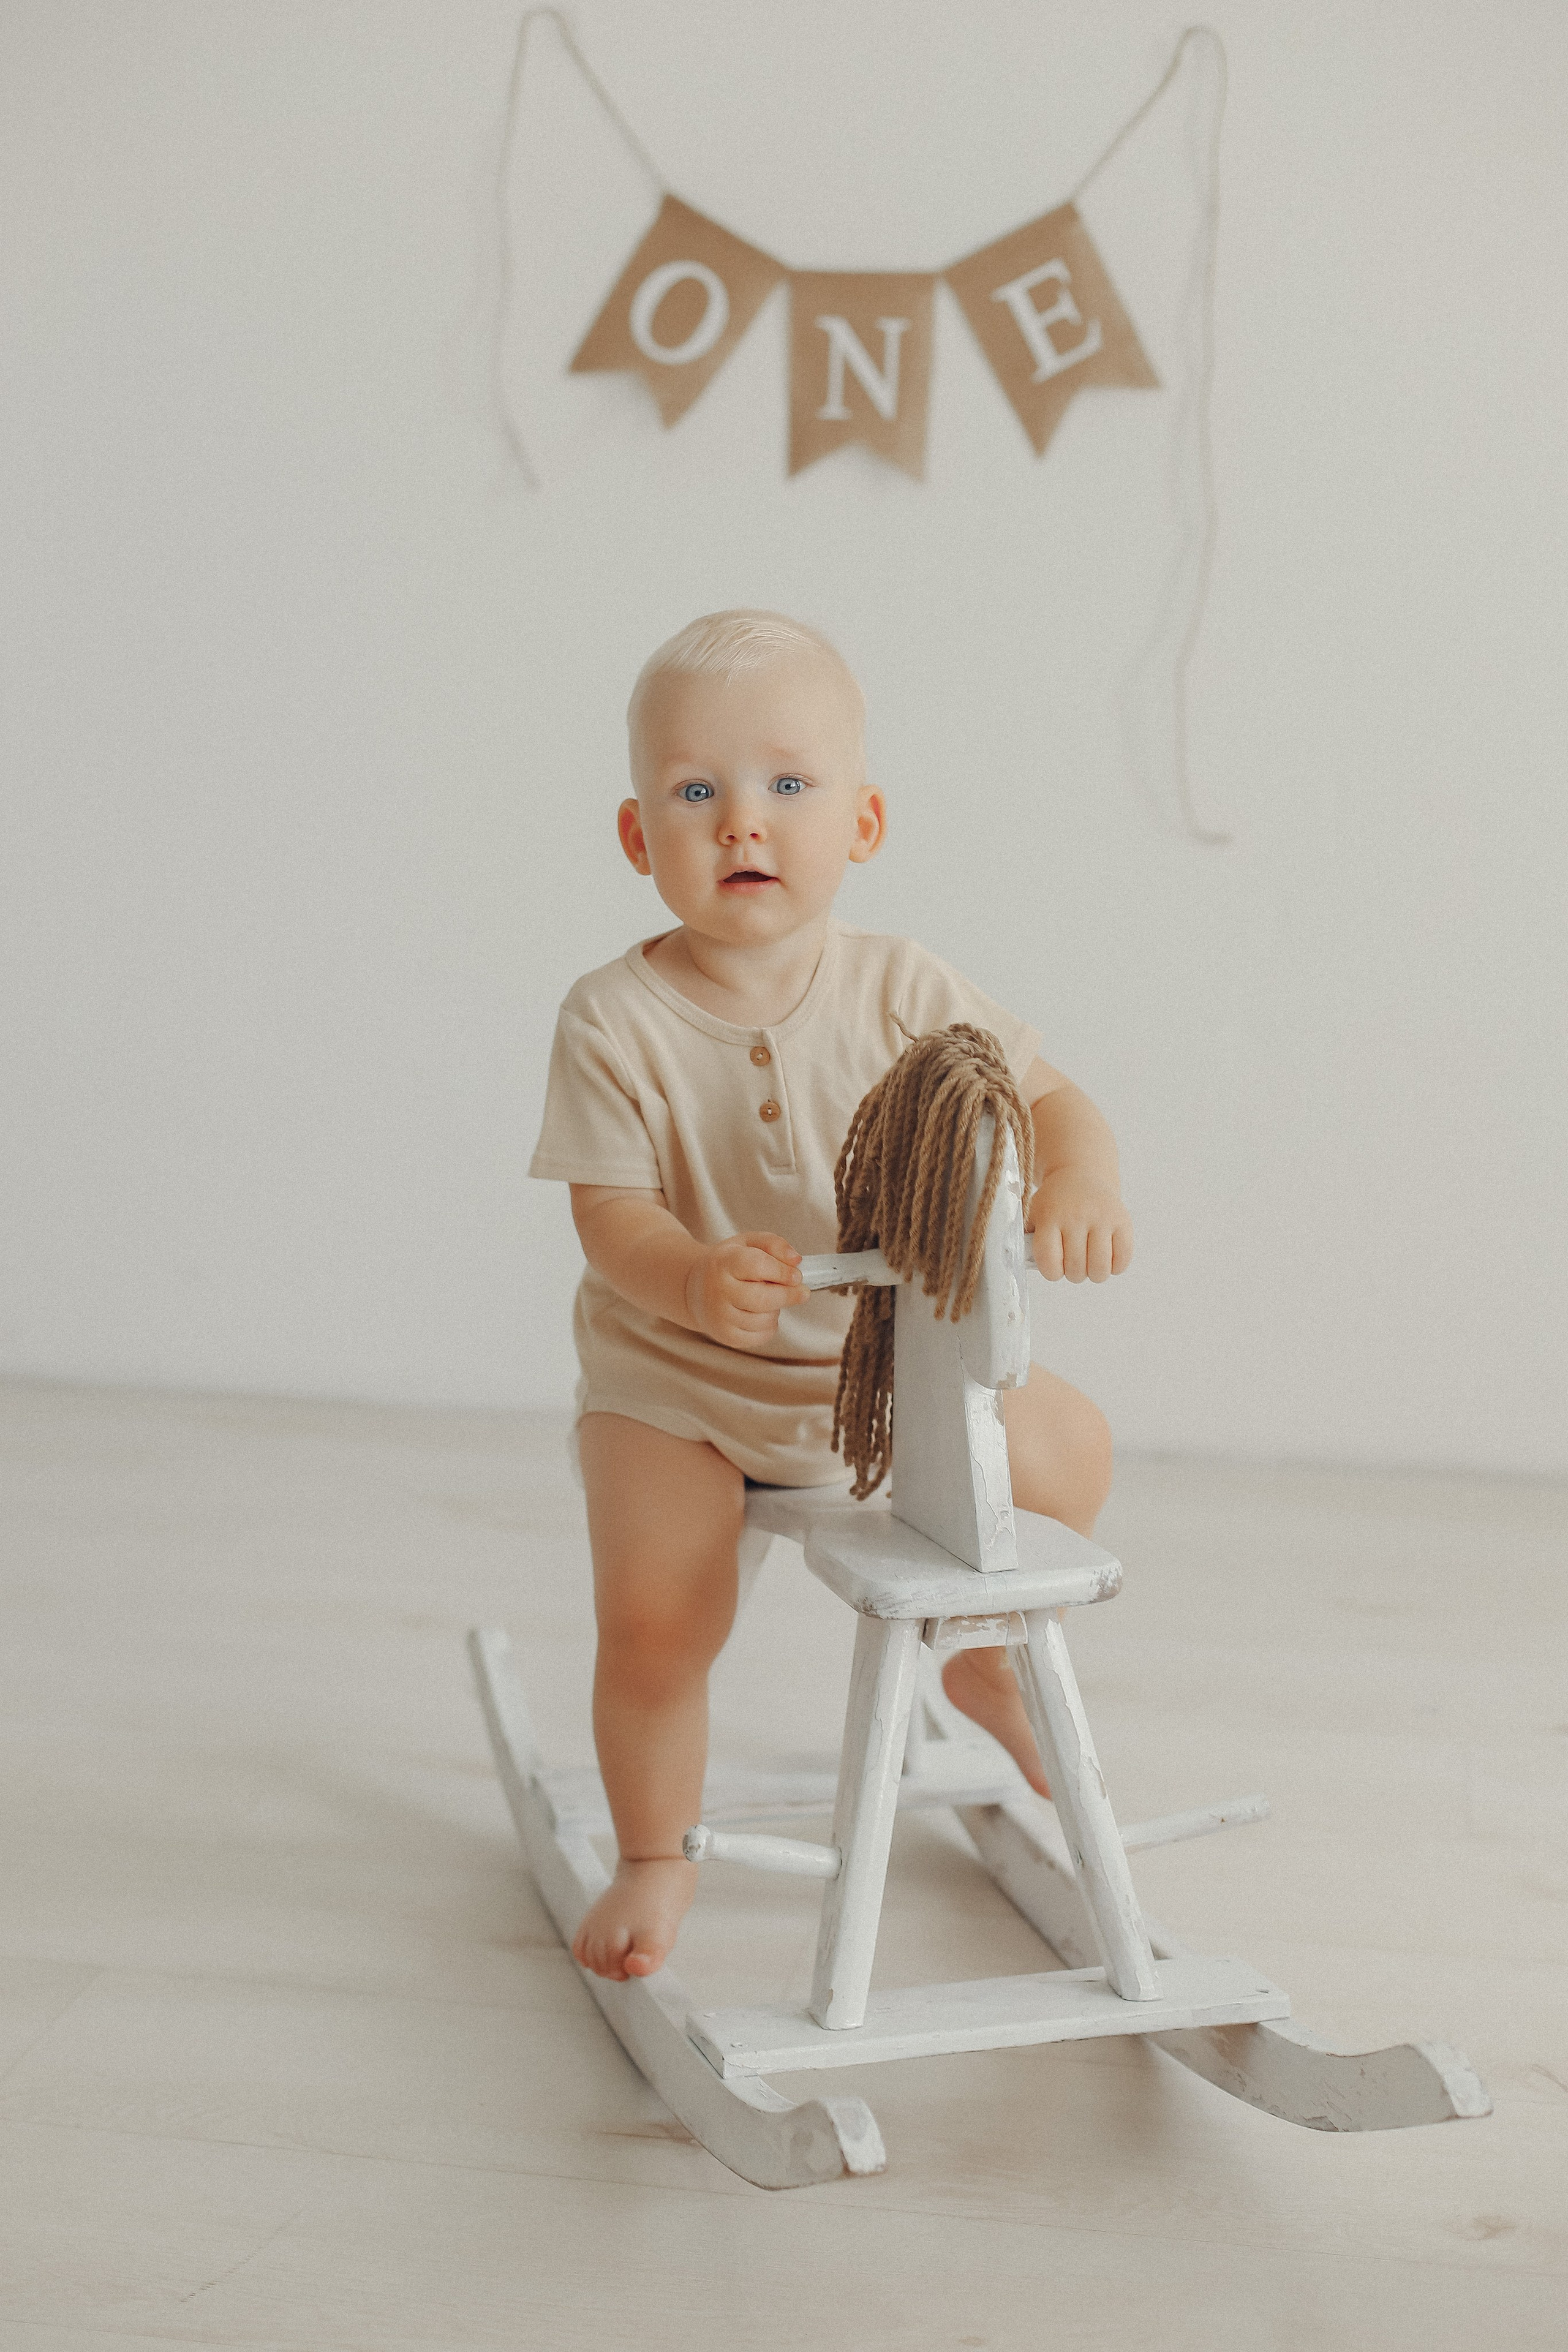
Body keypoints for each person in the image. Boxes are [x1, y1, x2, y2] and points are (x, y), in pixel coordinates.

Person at [529, 610, 1133, 1982]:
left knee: (1068, 1448)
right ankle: (653, 1852)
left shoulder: (903, 987)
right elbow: (608, 1218)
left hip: (874, 1376)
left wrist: (1079, 1178)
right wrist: (690, 1278)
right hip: (677, 1385)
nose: (742, 821)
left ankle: (982, 1661)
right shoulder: (611, 1018)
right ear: (636, 837)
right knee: (659, 1616)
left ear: (862, 823)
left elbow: (1051, 1099)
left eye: (787, 785)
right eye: (696, 791)